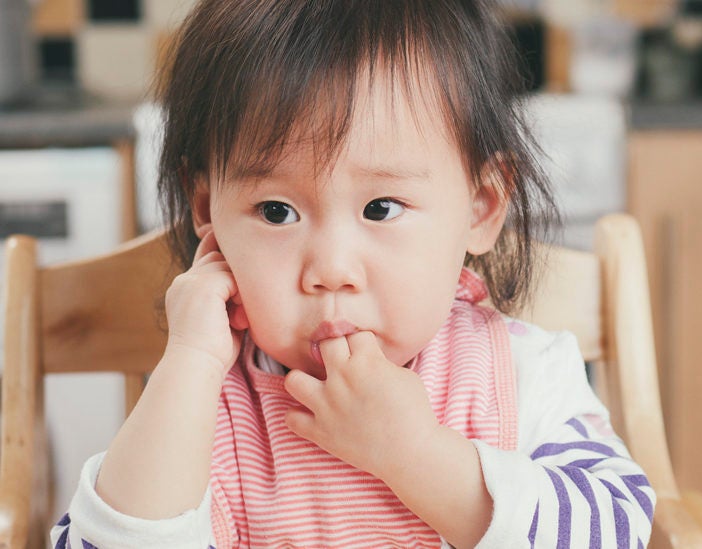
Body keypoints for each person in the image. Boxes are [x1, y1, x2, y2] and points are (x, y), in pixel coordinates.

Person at [52, 0, 655, 547]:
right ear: (208, 213)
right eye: (276, 211)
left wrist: (416, 456)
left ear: (481, 209)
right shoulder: (206, 406)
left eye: (381, 208)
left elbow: (618, 525)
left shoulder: (522, 376)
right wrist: (187, 364)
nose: (331, 270)